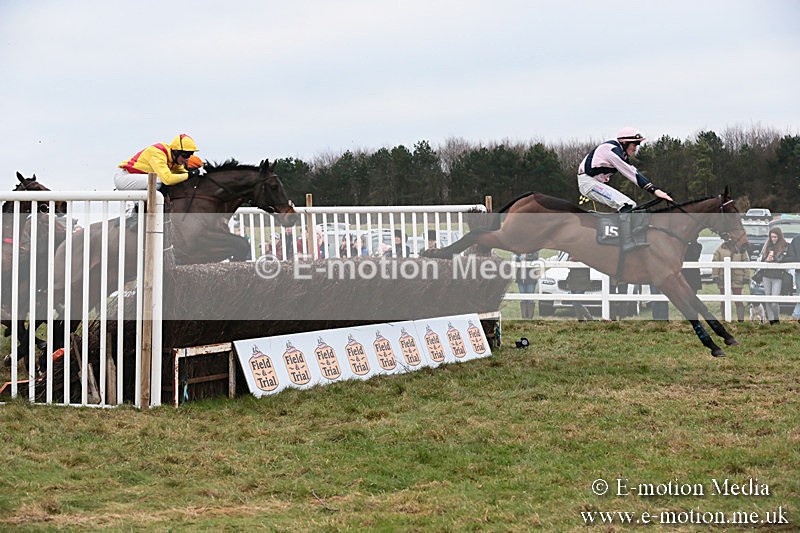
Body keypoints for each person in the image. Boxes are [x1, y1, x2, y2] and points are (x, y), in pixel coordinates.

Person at [577, 127, 673, 212]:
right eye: (634, 144)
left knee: (630, 205)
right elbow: (631, 172)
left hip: (594, 182)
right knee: (627, 204)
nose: (636, 148)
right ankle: (625, 233)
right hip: (589, 183)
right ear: (625, 142)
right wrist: (655, 190)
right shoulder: (611, 150)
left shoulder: (619, 151)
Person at [114, 133, 200, 190]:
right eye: (186, 155)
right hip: (124, 177)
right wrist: (190, 175)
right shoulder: (158, 153)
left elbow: (182, 174)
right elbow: (168, 179)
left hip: (137, 179)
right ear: (176, 151)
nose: (187, 159)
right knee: (157, 181)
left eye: (191, 154)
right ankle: (137, 209)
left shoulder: (174, 160)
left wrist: (199, 174)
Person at [711, 233, 750, 322]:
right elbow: (715, 263)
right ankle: (725, 320)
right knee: (723, 301)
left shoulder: (741, 249)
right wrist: (715, 276)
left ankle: (741, 321)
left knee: (738, 299)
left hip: (737, 277)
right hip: (723, 278)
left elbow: (745, 262)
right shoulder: (719, 250)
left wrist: (746, 276)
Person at [760, 227, 788, 324]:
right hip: (766, 275)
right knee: (767, 298)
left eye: (775, 237)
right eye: (772, 237)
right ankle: (771, 320)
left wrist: (774, 258)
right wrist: (767, 259)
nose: (773, 239)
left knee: (774, 301)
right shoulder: (767, 245)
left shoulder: (785, 245)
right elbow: (762, 259)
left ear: (779, 236)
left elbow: (784, 258)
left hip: (777, 276)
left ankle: (776, 318)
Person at [780, 233, 800, 321]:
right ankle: (795, 316)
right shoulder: (796, 240)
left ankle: (795, 315)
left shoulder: (795, 240)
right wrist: (780, 260)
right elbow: (791, 256)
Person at [514, 251, 539, 319]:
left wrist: (525, 257)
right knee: (523, 298)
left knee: (530, 298)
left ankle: (530, 317)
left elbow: (535, 257)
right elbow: (515, 258)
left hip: (531, 277)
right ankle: (524, 317)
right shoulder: (519, 249)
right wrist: (518, 257)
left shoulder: (534, 248)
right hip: (521, 277)